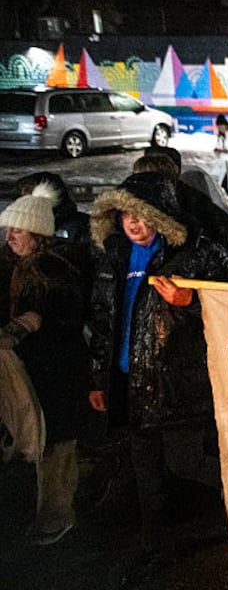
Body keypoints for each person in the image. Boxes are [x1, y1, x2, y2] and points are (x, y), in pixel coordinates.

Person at [87, 172, 228, 565]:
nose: (133, 224)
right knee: (146, 470)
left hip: (177, 384)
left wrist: (192, 299)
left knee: (188, 463)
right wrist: (100, 378)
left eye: (141, 215)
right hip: (128, 380)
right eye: (125, 215)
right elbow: (105, 318)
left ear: (160, 217)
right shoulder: (115, 255)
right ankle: (155, 546)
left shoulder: (191, 254)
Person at [0, 181, 90, 545]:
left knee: (56, 446)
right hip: (32, 369)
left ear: (38, 234)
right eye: (8, 229)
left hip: (58, 371)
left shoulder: (53, 272)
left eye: (18, 231)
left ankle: (57, 516)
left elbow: (49, 315)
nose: (10, 236)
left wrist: (20, 329)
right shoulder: (17, 265)